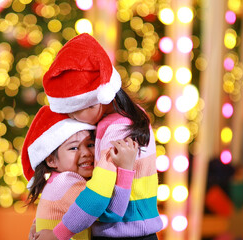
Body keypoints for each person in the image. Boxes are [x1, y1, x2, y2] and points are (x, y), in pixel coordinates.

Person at [37, 33, 162, 240]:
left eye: (75, 111)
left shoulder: (117, 129)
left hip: (124, 234)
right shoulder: (127, 117)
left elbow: (103, 202)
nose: (73, 118)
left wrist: (57, 234)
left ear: (96, 100)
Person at [22, 106, 139, 240]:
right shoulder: (66, 182)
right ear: (51, 160)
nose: (86, 153)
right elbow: (112, 214)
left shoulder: (56, 180)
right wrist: (126, 168)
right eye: (74, 147)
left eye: (90, 144)